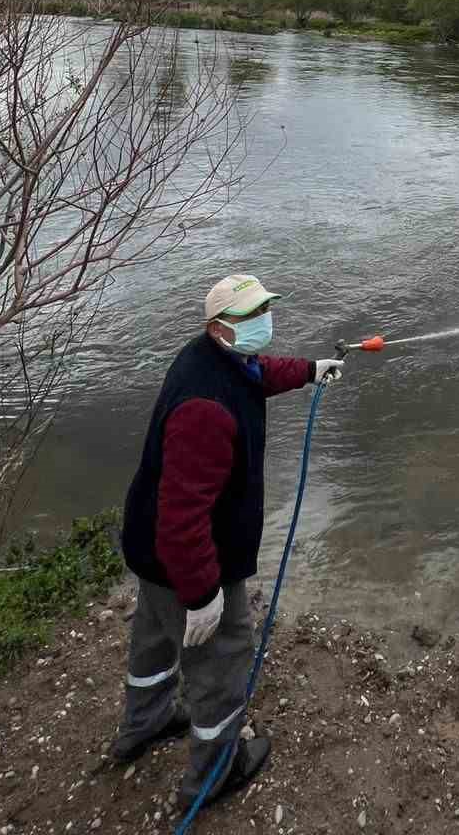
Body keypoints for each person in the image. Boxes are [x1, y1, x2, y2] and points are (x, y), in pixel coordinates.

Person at [113, 274, 345, 810]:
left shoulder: (213, 359)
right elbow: (184, 515)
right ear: (220, 327)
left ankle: (143, 723)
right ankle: (217, 772)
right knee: (221, 659)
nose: (264, 320)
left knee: (152, 639)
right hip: (187, 557)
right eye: (251, 315)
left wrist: (310, 371)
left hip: (151, 550)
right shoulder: (206, 407)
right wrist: (201, 593)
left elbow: (258, 372)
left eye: (265, 308)